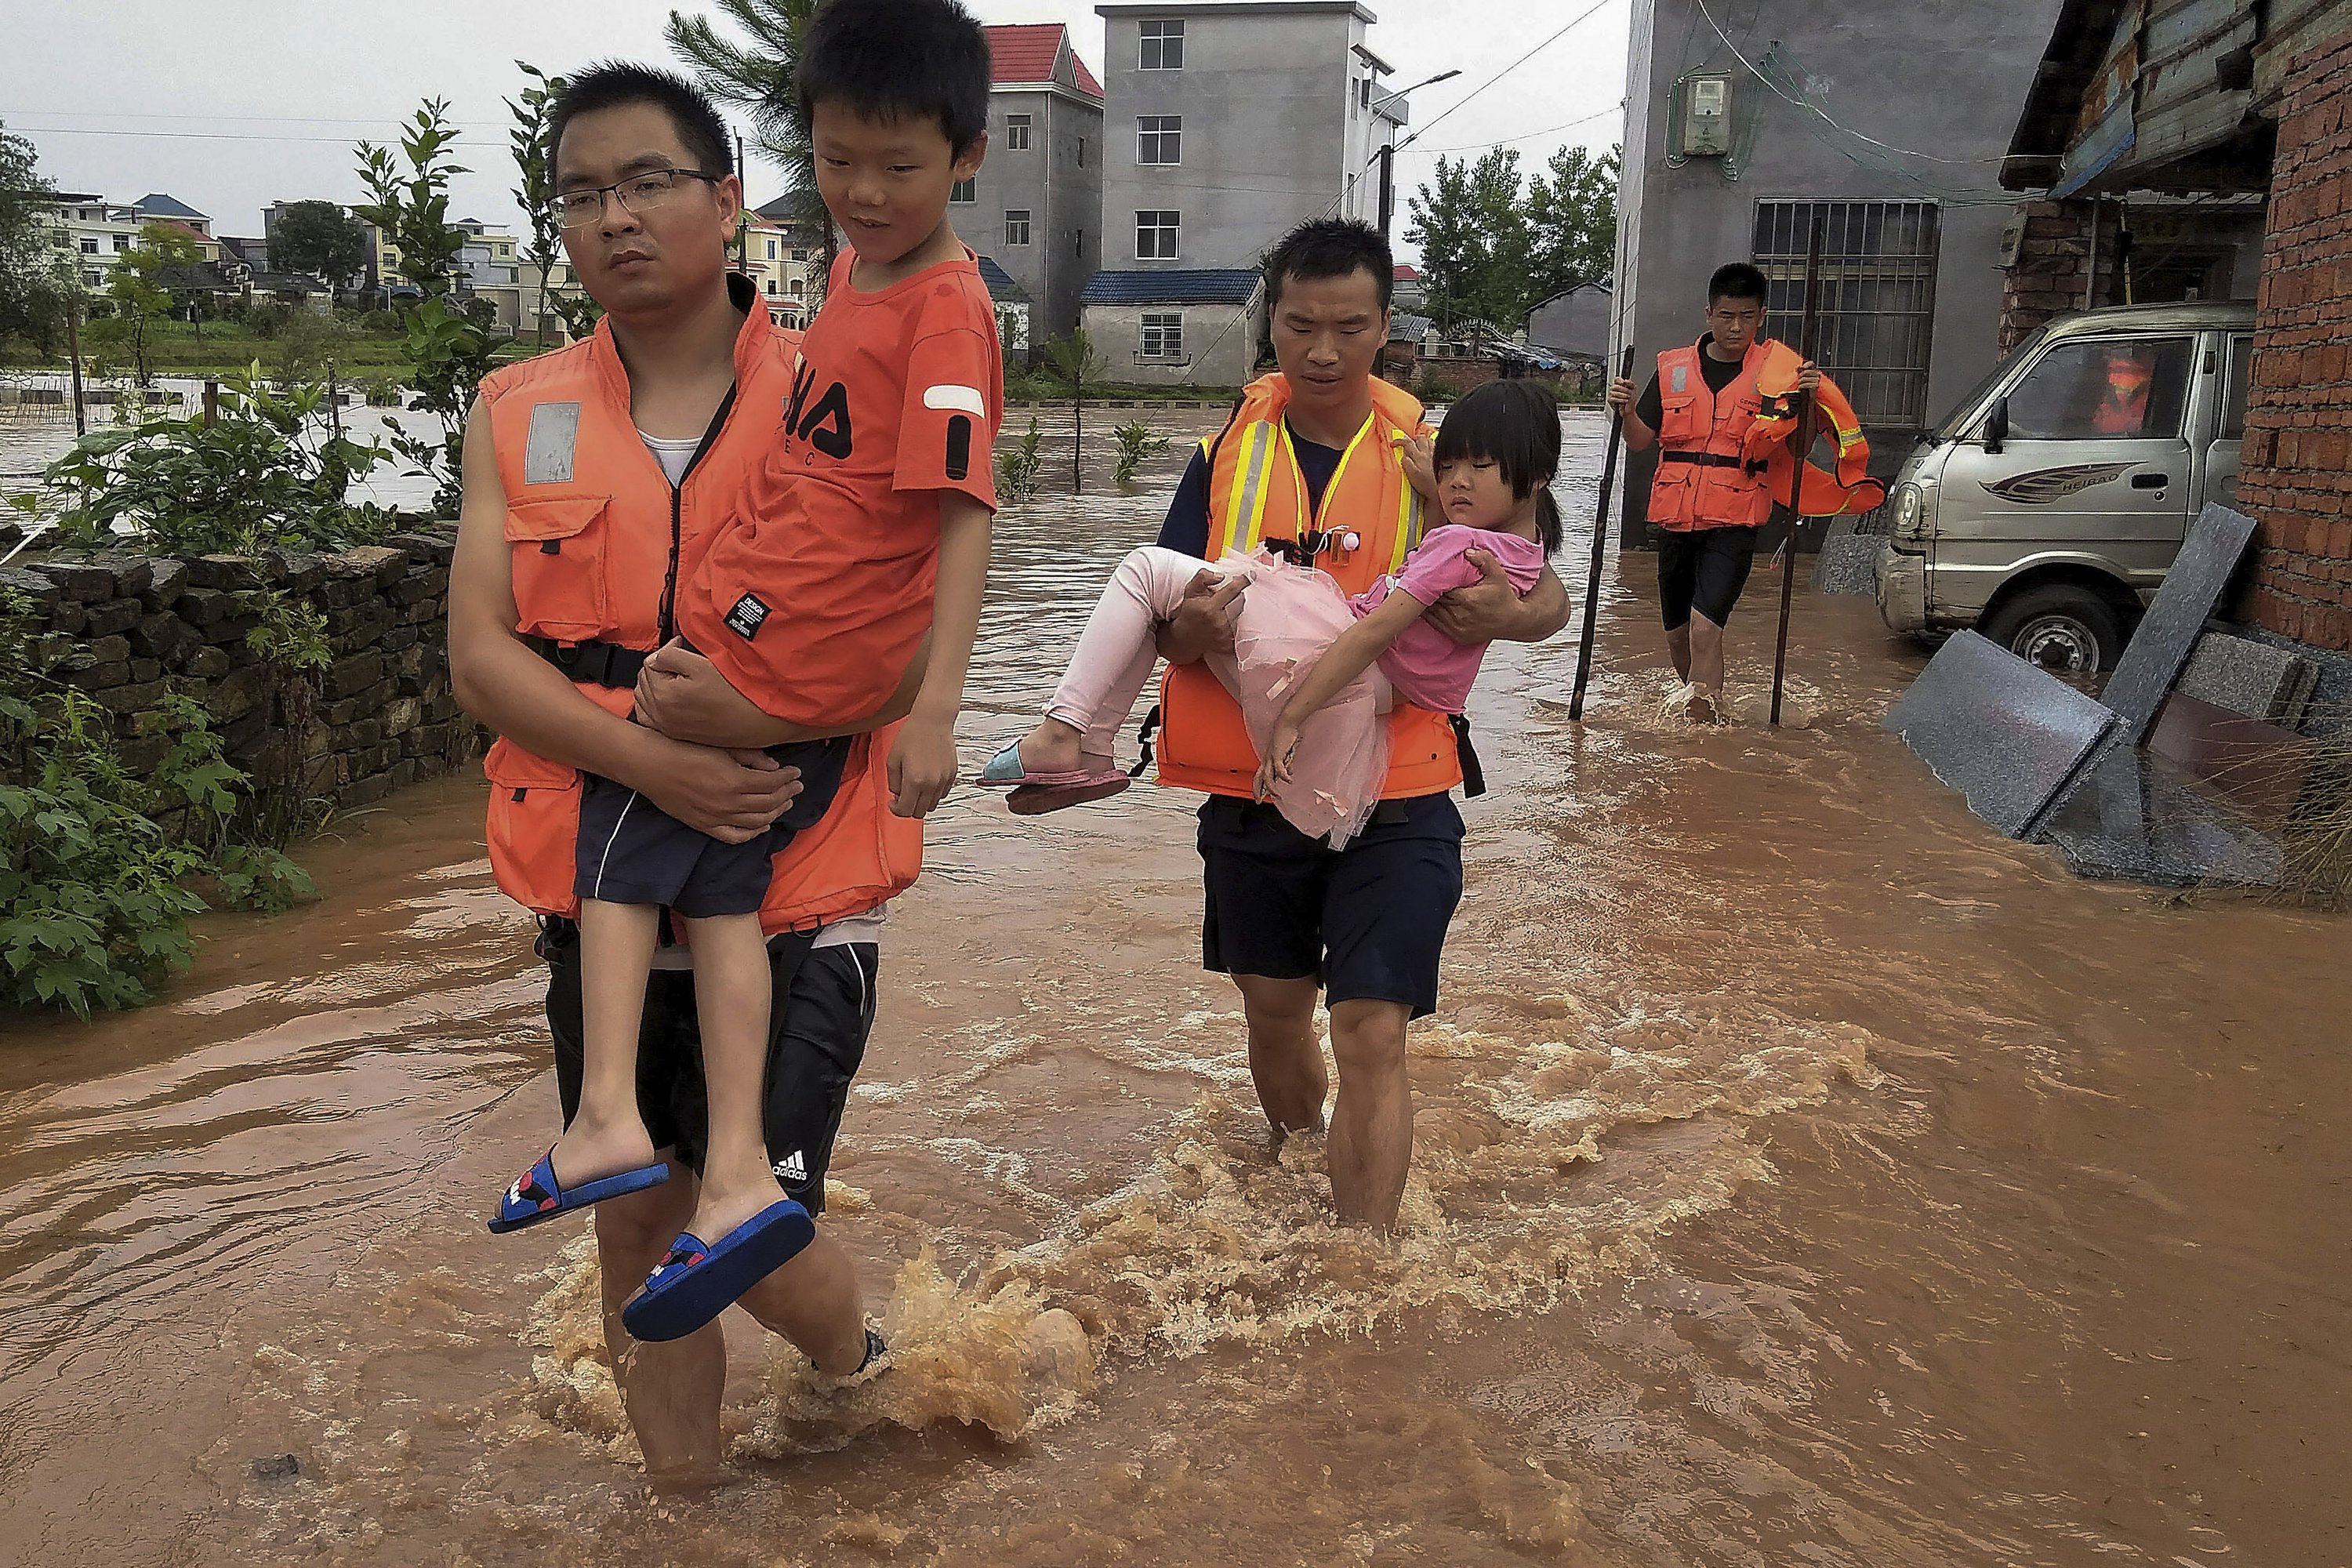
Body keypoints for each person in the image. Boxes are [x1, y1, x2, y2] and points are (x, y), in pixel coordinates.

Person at [447, 53, 942, 1472]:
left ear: (727, 201)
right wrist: (653, 767)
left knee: (757, 1230)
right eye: (580, 194)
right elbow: (484, 657)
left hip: (797, 876)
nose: (614, 217)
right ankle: (683, 1513)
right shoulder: (515, 407)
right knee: (637, 1220)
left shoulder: (840, 391)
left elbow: (909, 650)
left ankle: (858, 1367)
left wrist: (756, 731)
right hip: (602, 882)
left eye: (648, 182)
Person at [1033, 217, 1568, 1230]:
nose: (1323, 351)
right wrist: (1190, 627)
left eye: (1349, 326)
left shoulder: (1445, 459)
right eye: (1300, 325)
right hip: (1255, 784)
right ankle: (1295, 1168)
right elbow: (1167, 627)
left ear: (1384, 328)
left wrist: (1513, 612)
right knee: (1277, 1017)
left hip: (1401, 786)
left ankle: (1359, 1274)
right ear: (1268, 322)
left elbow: (1550, 593)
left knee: (1371, 1026)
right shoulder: (1219, 458)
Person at [980, 381, 1564, 858]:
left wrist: (1293, 717)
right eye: (1452, 465)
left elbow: (1376, 629)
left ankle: (1068, 735)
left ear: (1383, 324)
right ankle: (1089, 748)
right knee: (1167, 593)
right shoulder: (1519, 544)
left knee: (1144, 573)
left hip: (1341, 657)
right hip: (1384, 687)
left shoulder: (1451, 520)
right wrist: (1437, 499)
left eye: (1479, 466)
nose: (1457, 477)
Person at [1606, 262, 1820, 724]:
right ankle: (1699, 713)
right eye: (1726, 316)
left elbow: (1800, 449)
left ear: (1761, 316)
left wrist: (1808, 403)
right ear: (1709, 314)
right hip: (1675, 514)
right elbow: (1643, 440)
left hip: (1736, 518)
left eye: (1746, 316)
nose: (1736, 327)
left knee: (1706, 630)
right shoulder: (1672, 368)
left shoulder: (1780, 375)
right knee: (1678, 637)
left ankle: (1707, 735)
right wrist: (1623, 412)